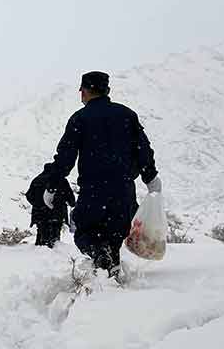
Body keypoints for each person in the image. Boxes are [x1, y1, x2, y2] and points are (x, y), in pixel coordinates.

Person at [52, 71, 161, 278]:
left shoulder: (79, 119)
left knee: (85, 233)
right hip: (123, 192)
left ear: (83, 91)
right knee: (115, 236)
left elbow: (65, 157)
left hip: (93, 192)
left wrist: (52, 184)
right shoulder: (127, 115)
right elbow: (143, 150)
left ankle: (101, 262)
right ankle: (111, 281)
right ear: (107, 91)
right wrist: (151, 178)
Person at [26, 162, 76, 248]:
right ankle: (52, 252)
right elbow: (70, 197)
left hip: (40, 214)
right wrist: (70, 203)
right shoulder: (61, 180)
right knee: (55, 235)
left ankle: (39, 252)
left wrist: (38, 204)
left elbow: (29, 195)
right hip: (57, 213)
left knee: (41, 232)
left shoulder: (37, 180)